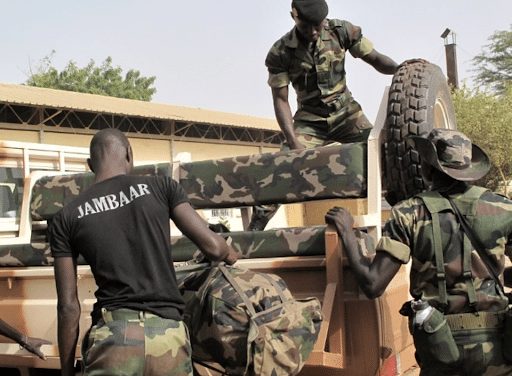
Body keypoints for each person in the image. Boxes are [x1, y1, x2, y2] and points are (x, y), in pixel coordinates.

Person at [50, 129, 238, 376]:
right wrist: (231, 255)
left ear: (90, 165)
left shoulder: (66, 217)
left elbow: (68, 307)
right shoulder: (161, 187)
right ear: (130, 154)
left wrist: (65, 370)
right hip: (168, 337)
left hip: (114, 339)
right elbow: (213, 247)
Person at [325, 129, 512, 376]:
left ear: (427, 168)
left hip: (439, 346)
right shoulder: (503, 208)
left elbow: (373, 284)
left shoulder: (409, 213)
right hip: (497, 347)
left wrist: (348, 233)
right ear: (468, 170)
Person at [248, 0, 399, 231]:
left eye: (317, 26)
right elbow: (281, 99)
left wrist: (403, 69)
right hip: (310, 121)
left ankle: (405, 217)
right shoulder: (280, 52)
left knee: (384, 154)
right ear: (293, 17)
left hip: (347, 114)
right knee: (282, 166)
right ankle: (254, 230)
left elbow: (376, 59)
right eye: (306, 26)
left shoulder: (342, 32)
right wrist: (293, 141)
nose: (313, 32)